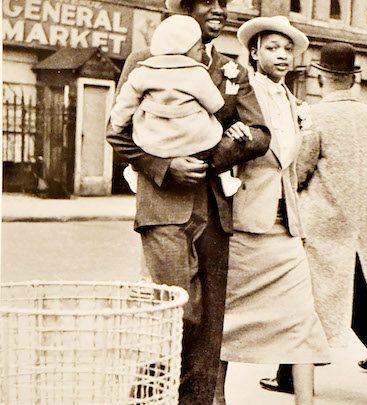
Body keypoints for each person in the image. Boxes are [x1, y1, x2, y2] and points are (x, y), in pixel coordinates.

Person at [106, 0, 271, 403]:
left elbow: (260, 133)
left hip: (215, 211)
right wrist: (164, 166)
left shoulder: (231, 68)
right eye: (206, 1)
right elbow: (118, 131)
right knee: (179, 313)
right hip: (163, 207)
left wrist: (209, 158)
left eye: (223, 3)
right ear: (182, 7)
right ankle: (147, 396)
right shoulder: (146, 60)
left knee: (210, 327)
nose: (218, 9)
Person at [259, 42, 367, 405]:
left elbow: (300, 169)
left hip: (322, 223)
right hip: (362, 222)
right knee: (360, 300)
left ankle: (289, 376)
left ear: (322, 76)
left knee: (300, 299)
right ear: (354, 79)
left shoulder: (313, 115)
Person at [214, 16, 331, 405]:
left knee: (302, 319)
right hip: (246, 226)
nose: (281, 55)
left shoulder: (294, 103)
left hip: (286, 229)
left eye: (287, 49)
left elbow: (291, 166)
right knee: (227, 322)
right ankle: (216, 399)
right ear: (254, 52)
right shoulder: (241, 94)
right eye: (271, 48)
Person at [110, 14, 241, 197]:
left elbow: (125, 105)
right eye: (198, 49)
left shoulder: (143, 71)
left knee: (140, 134)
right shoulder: (196, 73)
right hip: (194, 141)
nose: (201, 53)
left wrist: (118, 122)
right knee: (214, 134)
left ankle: (133, 170)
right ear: (186, 51)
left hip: (153, 141)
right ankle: (225, 177)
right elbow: (215, 104)